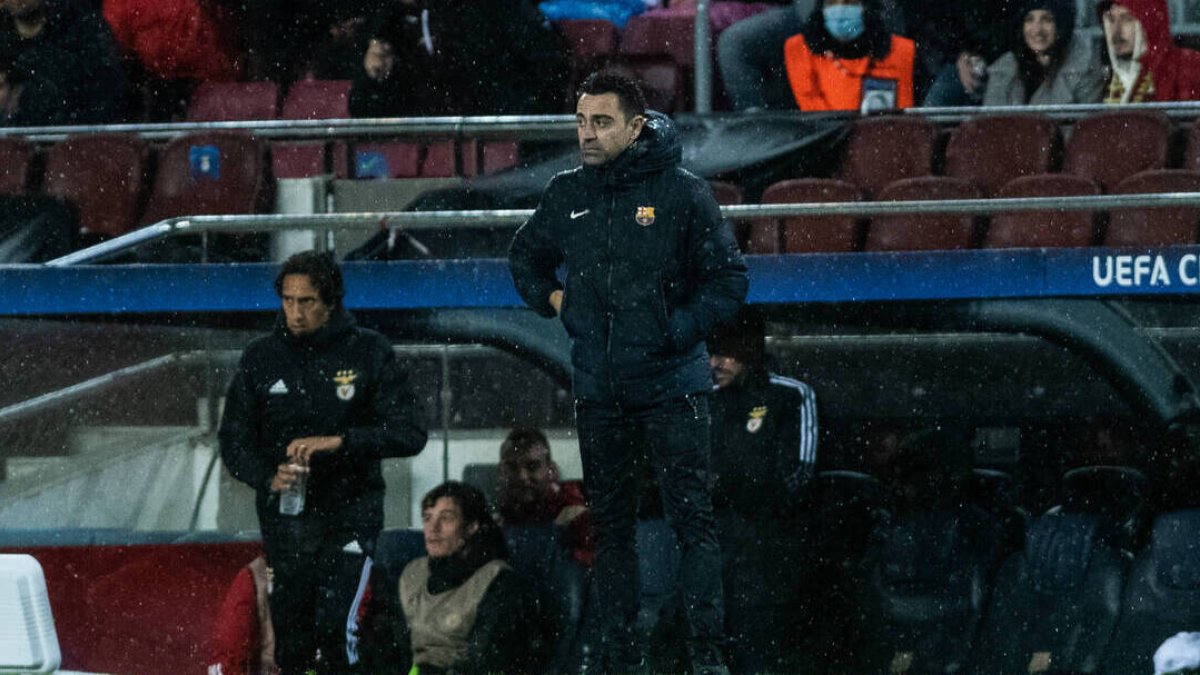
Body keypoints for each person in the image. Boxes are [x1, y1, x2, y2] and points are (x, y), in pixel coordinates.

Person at [509, 71, 748, 674]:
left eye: (601, 122)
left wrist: (673, 329)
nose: (586, 134)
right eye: (581, 121)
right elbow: (525, 258)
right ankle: (620, 657)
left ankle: (706, 659)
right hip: (600, 390)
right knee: (611, 529)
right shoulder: (567, 193)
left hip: (674, 387)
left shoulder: (683, 192)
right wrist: (560, 304)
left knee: (692, 522)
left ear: (637, 126)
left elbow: (730, 282)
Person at [218, 250, 428, 674]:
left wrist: (340, 442)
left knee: (338, 628)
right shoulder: (260, 358)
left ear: (331, 302)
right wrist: (266, 475)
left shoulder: (369, 352)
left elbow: (410, 433)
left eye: (307, 301)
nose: (295, 312)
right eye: (288, 300)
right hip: (287, 522)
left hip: (350, 515)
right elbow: (234, 440)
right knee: (290, 641)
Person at [706, 310, 818, 672]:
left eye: (724, 352)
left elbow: (800, 474)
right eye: (710, 351)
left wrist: (749, 498)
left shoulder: (790, 395)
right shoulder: (705, 401)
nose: (714, 362)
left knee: (760, 648)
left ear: (748, 350)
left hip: (768, 552)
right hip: (715, 553)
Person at [374, 481, 545, 674]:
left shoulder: (499, 581)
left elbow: (485, 661)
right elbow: (393, 648)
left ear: (471, 526)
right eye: (427, 518)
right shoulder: (412, 574)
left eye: (446, 519)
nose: (433, 528)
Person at [0, 0, 128, 123]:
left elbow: (105, 89)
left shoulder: (80, 26)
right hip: (14, 135)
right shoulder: (4, 38)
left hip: (78, 131)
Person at [784, 0, 916, 112]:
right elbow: (813, 116)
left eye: (849, 2)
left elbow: (909, 120)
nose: (840, 10)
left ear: (866, 6)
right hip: (823, 140)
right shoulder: (799, 49)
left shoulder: (902, 51)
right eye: (832, 2)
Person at [495, 427, 593, 566]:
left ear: (551, 470)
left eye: (532, 466)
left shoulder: (576, 517)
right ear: (502, 472)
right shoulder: (498, 523)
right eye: (512, 467)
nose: (522, 477)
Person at [983, 0, 1106, 106]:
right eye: (1029, 19)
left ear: (1061, 23)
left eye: (1047, 19)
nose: (1037, 29)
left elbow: (1085, 129)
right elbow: (991, 126)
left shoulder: (1085, 66)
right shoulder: (1004, 69)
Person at [1098, 0, 1200, 104]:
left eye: (1127, 19)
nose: (1116, 31)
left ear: (1150, 23)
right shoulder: (1103, 81)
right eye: (1110, 19)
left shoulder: (1188, 66)